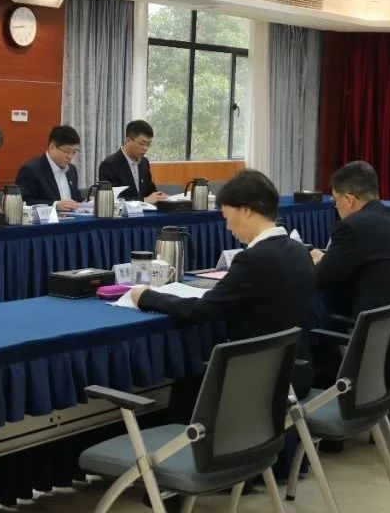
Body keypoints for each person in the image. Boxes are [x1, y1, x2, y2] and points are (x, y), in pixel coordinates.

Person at [129, 169, 315, 397]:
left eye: (227, 217)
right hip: (297, 373)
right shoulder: (300, 250)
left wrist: (147, 296)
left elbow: (201, 310)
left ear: (246, 211)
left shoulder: (253, 259)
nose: (227, 227)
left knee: (185, 386)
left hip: (262, 384)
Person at [312, 160, 390, 320]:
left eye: (335, 202)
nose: (336, 207)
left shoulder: (352, 226)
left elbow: (320, 278)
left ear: (349, 199)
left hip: (374, 325)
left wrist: (317, 261)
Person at [15, 125, 84, 210]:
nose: (70, 156)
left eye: (74, 152)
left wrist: (88, 201)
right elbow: (23, 201)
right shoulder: (31, 170)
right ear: (52, 147)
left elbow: (76, 198)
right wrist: (54, 205)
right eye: (67, 151)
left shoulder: (71, 170)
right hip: (48, 218)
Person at [98, 119, 167, 203]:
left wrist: (160, 197)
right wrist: (143, 200)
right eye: (142, 144)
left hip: (147, 210)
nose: (145, 148)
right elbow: (110, 199)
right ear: (128, 141)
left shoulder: (144, 162)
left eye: (148, 144)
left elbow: (150, 191)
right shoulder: (109, 165)